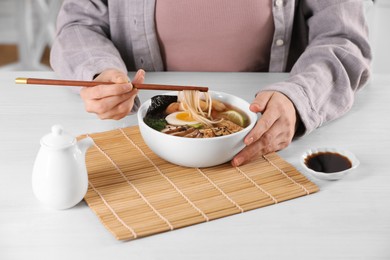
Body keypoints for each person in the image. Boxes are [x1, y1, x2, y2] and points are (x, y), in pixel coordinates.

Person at [50, 0, 372, 167]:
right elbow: (77, 23)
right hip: (136, 134)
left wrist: (299, 98)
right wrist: (100, 74)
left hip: (268, 136)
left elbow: (343, 38)